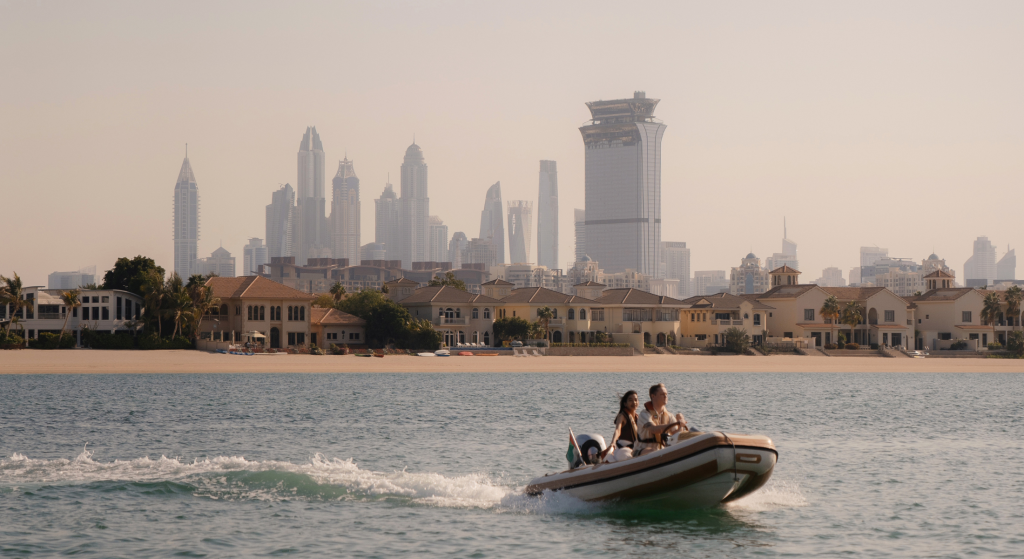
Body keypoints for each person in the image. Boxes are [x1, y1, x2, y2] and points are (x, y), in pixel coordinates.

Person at [635, 383, 687, 456]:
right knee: (653, 451)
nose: (665, 396)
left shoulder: (669, 415)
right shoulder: (644, 414)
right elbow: (653, 429)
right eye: (662, 394)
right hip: (641, 450)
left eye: (666, 394)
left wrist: (681, 424)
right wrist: (675, 423)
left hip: (661, 451)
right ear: (653, 396)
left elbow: (676, 435)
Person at [601, 391, 639, 462]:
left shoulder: (638, 418)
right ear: (625, 403)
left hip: (635, 448)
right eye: (630, 400)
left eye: (636, 400)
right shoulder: (622, 416)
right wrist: (612, 443)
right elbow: (617, 430)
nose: (634, 402)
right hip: (622, 450)